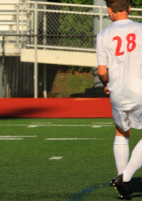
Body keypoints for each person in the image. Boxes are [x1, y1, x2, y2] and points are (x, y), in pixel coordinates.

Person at [96, 0, 142, 199]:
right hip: (140, 88)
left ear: (108, 10)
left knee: (122, 133)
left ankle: (124, 186)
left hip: (117, 91)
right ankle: (125, 177)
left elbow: (101, 71)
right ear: (130, 8)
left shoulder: (103, 35)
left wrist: (107, 83)